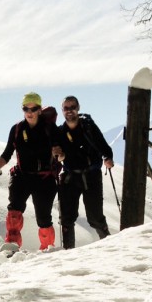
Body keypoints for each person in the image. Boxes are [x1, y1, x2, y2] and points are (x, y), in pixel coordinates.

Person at [0, 92, 59, 252]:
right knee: (15, 208)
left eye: (33, 108)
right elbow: (7, 153)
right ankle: (12, 243)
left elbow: (59, 151)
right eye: (26, 108)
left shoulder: (49, 128)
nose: (29, 112)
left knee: (43, 217)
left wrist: (59, 154)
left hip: (44, 178)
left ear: (40, 110)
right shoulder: (17, 129)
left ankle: (47, 248)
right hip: (22, 176)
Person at [54, 95, 115, 248]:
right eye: (66, 108)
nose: (69, 111)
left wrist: (108, 157)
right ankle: (69, 252)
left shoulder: (88, 127)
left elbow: (103, 146)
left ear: (78, 108)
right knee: (67, 217)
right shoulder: (60, 132)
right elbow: (58, 155)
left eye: (72, 107)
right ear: (62, 111)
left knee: (95, 217)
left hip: (91, 175)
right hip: (71, 176)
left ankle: (109, 246)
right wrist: (59, 156)